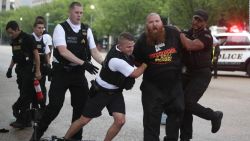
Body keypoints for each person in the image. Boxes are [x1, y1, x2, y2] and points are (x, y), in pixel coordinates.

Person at [29, 2, 104, 141]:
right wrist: (83, 63)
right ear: (70, 12)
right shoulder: (60, 28)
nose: (79, 15)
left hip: (78, 74)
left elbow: (94, 51)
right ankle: (37, 134)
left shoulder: (86, 29)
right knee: (54, 107)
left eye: (81, 13)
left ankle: (75, 138)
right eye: (77, 12)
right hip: (61, 73)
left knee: (80, 108)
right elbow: (63, 51)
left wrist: (106, 64)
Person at [63, 32, 147, 141]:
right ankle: (65, 138)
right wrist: (146, 63)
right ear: (120, 46)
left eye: (132, 46)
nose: (132, 49)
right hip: (100, 92)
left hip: (116, 92)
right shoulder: (116, 60)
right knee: (84, 120)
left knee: (120, 121)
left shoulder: (121, 50)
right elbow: (135, 74)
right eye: (128, 47)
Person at [133, 13, 184, 141]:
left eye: (157, 21)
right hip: (152, 88)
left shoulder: (173, 33)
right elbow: (135, 60)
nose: (154, 24)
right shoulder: (142, 40)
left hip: (174, 86)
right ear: (147, 26)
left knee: (177, 113)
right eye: (151, 22)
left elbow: (186, 47)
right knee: (151, 121)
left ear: (162, 22)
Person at [178, 9, 223, 141]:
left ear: (205, 22)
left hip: (202, 74)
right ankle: (185, 138)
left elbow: (190, 45)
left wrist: (179, 33)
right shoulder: (189, 32)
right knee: (182, 104)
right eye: (195, 18)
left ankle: (214, 116)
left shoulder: (206, 36)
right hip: (188, 73)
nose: (196, 22)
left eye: (200, 20)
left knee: (187, 102)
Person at [5, 20, 41, 128]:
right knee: (24, 94)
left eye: (12, 32)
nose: (10, 35)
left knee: (26, 95)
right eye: (9, 33)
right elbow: (15, 56)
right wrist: (10, 68)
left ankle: (21, 118)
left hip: (28, 70)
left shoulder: (28, 38)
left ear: (17, 29)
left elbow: (36, 55)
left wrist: (38, 70)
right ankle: (26, 119)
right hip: (20, 71)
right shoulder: (14, 40)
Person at [32, 20, 51, 107]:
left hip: (42, 68)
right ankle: (33, 109)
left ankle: (42, 108)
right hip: (31, 68)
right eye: (39, 28)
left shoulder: (44, 39)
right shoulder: (30, 38)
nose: (41, 30)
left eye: (42, 28)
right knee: (32, 90)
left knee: (42, 88)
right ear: (34, 28)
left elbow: (47, 53)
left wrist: (48, 65)